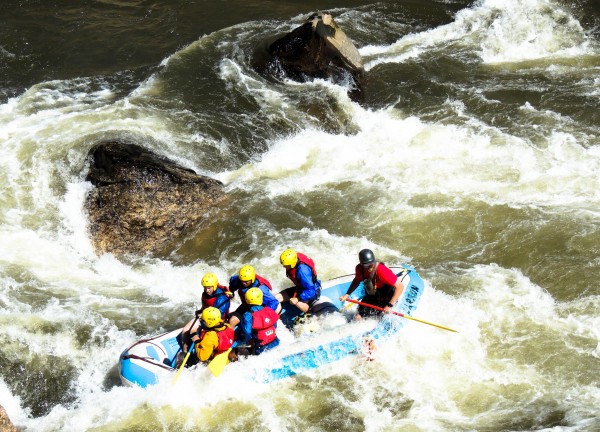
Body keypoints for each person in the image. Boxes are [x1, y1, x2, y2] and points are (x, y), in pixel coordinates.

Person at [340, 249, 405, 320]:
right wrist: (347, 294)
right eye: (367, 265)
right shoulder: (359, 269)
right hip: (371, 297)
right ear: (361, 264)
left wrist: (390, 305)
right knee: (357, 318)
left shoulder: (381, 269)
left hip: (386, 297)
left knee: (378, 318)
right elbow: (356, 281)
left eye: (371, 264)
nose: (371, 267)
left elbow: (400, 287)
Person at [180, 272, 233, 354]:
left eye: (209, 288)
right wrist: (201, 311)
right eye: (205, 288)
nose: (206, 290)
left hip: (216, 321)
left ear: (214, 286)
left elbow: (218, 316)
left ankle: (201, 349)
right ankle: (185, 352)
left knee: (194, 331)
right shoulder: (205, 294)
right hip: (204, 317)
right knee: (185, 330)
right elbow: (205, 306)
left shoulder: (221, 298)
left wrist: (203, 317)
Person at [234, 287, 280, 357]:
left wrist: (242, 338)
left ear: (247, 300)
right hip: (275, 342)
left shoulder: (248, 315)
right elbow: (274, 325)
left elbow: (247, 332)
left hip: (259, 349)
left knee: (233, 353)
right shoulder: (269, 310)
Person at [276, 248, 321, 314]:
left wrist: (297, 299)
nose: (284, 266)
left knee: (297, 303)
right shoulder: (295, 257)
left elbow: (311, 290)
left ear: (292, 263)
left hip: (313, 291)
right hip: (301, 288)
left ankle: (310, 314)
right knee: (277, 298)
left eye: (285, 265)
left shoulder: (302, 271)